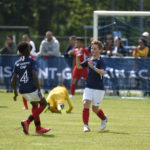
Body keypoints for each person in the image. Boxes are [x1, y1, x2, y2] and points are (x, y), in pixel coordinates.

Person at [11, 42, 51, 134]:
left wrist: (15, 93)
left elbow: (13, 79)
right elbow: (34, 75)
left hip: (22, 90)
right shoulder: (31, 61)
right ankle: (27, 122)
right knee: (44, 104)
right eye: (29, 48)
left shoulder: (17, 62)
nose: (30, 50)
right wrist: (39, 91)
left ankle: (38, 128)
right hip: (32, 88)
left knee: (35, 106)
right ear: (26, 50)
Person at [76, 40, 108, 132]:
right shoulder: (89, 60)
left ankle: (104, 118)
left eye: (95, 48)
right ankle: (86, 126)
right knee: (86, 104)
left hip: (99, 88)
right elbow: (78, 67)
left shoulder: (101, 61)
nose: (92, 50)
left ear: (100, 50)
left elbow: (102, 72)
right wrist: (78, 57)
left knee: (95, 109)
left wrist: (93, 67)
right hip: (89, 86)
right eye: (91, 48)